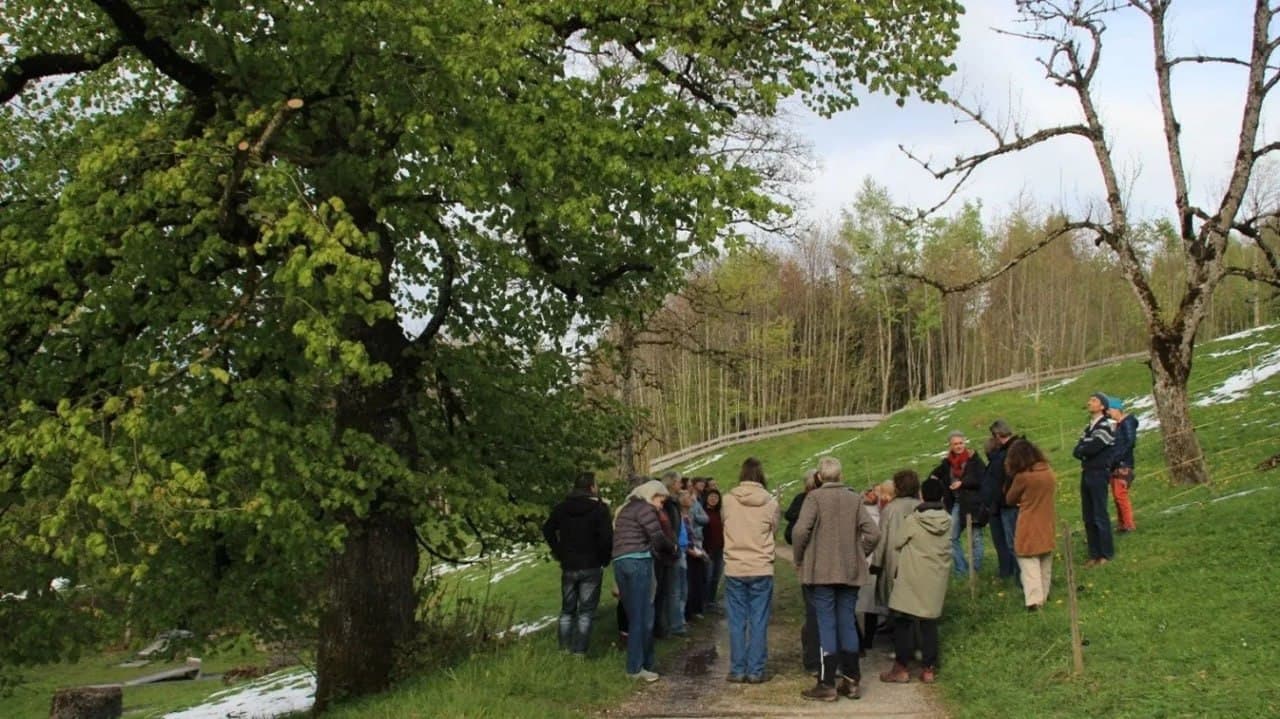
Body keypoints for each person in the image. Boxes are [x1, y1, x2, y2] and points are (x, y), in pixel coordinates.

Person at [792, 457, 880, 701]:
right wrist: (859, 553)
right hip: (849, 571)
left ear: (819, 477)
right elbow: (873, 533)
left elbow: (800, 531)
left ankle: (827, 683)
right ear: (840, 476)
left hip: (821, 571)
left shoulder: (815, 498)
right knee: (847, 622)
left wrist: (799, 557)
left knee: (826, 624)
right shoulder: (854, 498)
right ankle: (852, 681)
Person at [880, 476, 952, 685]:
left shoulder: (914, 520)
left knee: (904, 620)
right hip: (936, 576)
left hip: (912, 575)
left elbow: (897, 542)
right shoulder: (948, 520)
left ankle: (901, 668)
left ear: (922, 495)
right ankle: (929, 669)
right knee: (929, 622)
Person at [541, 471, 614, 655]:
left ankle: (564, 649)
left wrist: (558, 551)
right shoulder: (600, 509)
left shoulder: (562, 508)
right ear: (591, 487)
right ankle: (579, 651)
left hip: (569, 564)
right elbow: (606, 538)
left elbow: (548, 529)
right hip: (591, 564)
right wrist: (605, 559)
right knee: (586, 611)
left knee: (567, 610)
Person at [722, 457, 780, 684]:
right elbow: (773, 532)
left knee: (737, 620)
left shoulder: (728, 500)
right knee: (759, 619)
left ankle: (737, 669)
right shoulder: (770, 503)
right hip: (761, 565)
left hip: (735, 565)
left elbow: (726, 523)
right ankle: (755, 669)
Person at [611, 479, 676, 681]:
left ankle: (646, 663)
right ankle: (635, 668)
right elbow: (657, 537)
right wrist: (672, 548)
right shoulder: (645, 509)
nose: (661, 505)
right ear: (651, 494)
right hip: (639, 562)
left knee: (635, 615)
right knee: (643, 615)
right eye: (660, 500)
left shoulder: (625, 509)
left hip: (620, 562)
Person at [870, 470, 921, 668]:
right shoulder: (920, 507)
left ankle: (902, 650)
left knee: (899, 609)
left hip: (895, 562)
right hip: (918, 562)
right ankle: (919, 647)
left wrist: (876, 563)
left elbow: (881, 538)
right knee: (917, 607)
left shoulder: (890, 510)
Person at [1004, 439, 1057, 610]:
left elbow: (1010, 498)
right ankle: (1045, 593)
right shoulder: (1048, 471)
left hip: (1028, 523)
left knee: (1028, 562)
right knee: (1045, 560)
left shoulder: (1023, 477)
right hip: (1047, 520)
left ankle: (1035, 601)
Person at [929, 431, 987, 576]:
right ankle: (962, 569)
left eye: (961, 443)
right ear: (951, 445)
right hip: (956, 503)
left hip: (973, 503)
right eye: (955, 444)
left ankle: (976, 570)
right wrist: (934, 482)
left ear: (965, 443)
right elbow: (934, 475)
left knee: (975, 538)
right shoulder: (947, 463)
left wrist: (963, 483)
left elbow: (981, 479)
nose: (959, 446)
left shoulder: (974, 460)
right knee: (951, 537)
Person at [784, 470, 821, 675]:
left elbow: (795, 533)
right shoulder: (846, 497)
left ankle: (815, 661)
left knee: (814, 613)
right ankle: (838, 660)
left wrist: (798, 558)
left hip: (811, 563)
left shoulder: (808, 500)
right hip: (835, 565)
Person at [1073, 392, 1116, 567]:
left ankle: (1106, 553)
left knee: (1100, 514)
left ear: (1102, 406)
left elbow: (1092, 448)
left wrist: (1084, 449)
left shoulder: (1106, 426)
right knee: (1088, 515)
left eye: (1094, 400)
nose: (1089, 402)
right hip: (1087, 472)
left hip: (1099, 473)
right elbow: (1077, 450)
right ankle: (1093, 553)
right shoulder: (1088, 428)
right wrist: (1084, 449)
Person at [856, 481, 893, 656]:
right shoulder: (863, 510)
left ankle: (869, 640)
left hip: (880, 560)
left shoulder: (889, 511)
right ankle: (864, 641)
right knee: (867, 602)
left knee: (875, 602)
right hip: (869, 560)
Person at [981, 420, 1019, 582]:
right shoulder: (1006, 452)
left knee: (1013, 543)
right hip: (1001, 503)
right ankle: (1011, 573)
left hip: (1008, 503)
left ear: (997, 435)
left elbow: (1008, 478)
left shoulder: (1011, 452)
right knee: (1009, 543)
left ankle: (1019, 575)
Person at [1107, 396, 1139, 533]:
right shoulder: (1117, 425)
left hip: (1123, 464)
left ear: (1116, 409)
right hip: (1115, 464)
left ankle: (1129, 524)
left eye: (1109, 410)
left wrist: (1118, 457)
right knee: (1116, 495)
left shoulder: (1127, 423)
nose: (1108, 414)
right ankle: (1122, 524)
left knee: (1120, 494)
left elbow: (1130, 442)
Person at [703, 488, 725, 610]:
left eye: (716, 497)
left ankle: (711, 601)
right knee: (708, 576)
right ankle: (704, 601)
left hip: (719, 548)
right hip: (707, 549)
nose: (713, 499)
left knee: (717, 575)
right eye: (711, 496)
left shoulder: (719, 513)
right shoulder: (703, 512)